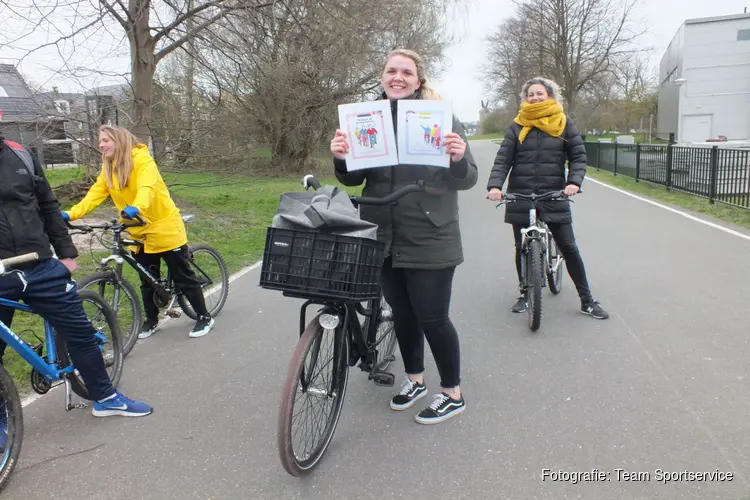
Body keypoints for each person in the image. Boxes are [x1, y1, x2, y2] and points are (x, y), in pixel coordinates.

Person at [330, 49, 478, 425]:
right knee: (402, 315)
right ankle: (414, 379)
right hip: (383, 233)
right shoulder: (366, 118)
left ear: (419, 80)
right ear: (382, 76)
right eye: (391, 71)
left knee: (433, 317)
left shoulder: (441, 117)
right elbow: (351, 179)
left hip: (431, 234)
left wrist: (458, 157)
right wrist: (341, 157)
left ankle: (451, 393)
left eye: (407, 72)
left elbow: (469, 178)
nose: (398, 77)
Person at [0, 133, 153, 425]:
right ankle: (1, 418)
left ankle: (105, 398)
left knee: (80, 333)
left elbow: (47, 205)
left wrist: (66, 252)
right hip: (1, 271)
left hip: (39, 263)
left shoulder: (21, 154)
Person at [63, 125, 215, 339]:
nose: (101, 144)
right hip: (137, 229)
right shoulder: (109, 168)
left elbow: (147, 188)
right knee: (147, 279)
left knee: (183, 276)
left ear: (120, 141)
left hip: (163, 227)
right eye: (100, 140)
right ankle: (151, 320)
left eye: (106, 140)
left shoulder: (143, 160)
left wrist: (137, 207)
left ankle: (204, 316)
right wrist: (71, 214)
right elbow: (94, 195)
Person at [486, 77, 609, 320]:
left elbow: (578, 156)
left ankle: (587, 300)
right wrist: (495, 186)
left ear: (550, 96)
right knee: (521, 246)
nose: (534, 98)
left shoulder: (563, 123)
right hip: (520, 193)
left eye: (539, 94)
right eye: (530, 94)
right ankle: (525, 293)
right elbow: (503, 160)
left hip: (554, 194)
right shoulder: (517, 125)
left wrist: (574, 182)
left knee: (569, 247)